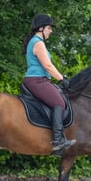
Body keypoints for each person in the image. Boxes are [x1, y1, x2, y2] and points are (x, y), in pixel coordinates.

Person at [22, 14, 76, 152]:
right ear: (41, 28)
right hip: (37, 80)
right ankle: (58, 140)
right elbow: (47, 65)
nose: (50, 31)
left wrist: (61, 76)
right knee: (59, 103)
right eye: (49, 28)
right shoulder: (38, 43)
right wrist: (61, 79)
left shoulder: (36, 42)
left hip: (40, 79)